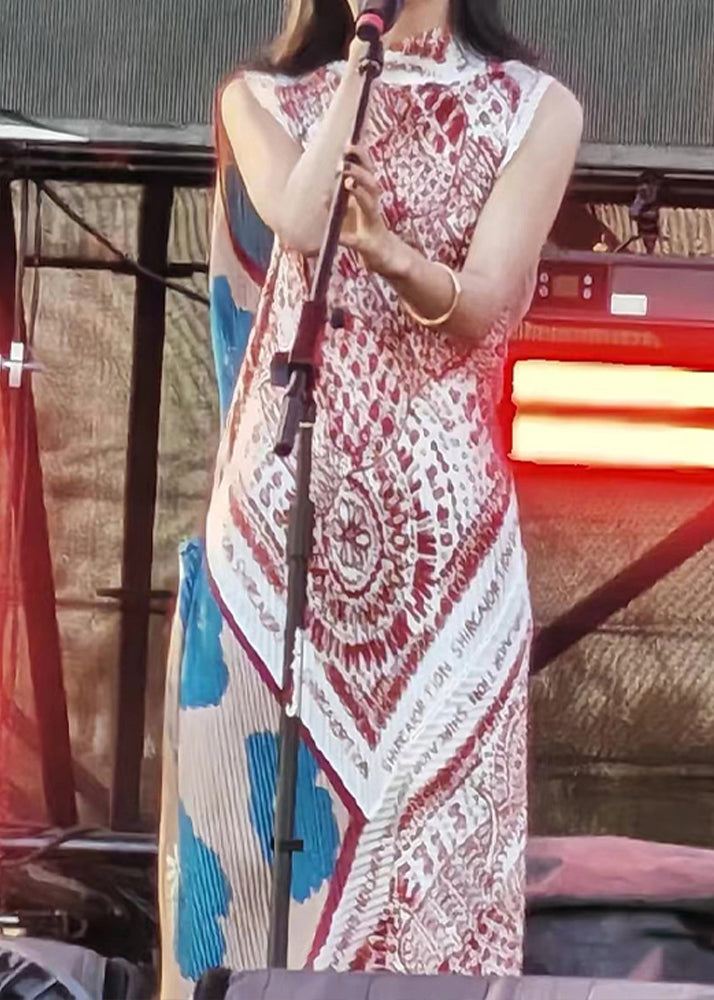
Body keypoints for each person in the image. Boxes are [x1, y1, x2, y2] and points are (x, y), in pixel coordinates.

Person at [159, 0, 582, 994]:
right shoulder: (260, 99)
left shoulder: (536, 108)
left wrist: (391, 250)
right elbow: (301, 220)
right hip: (273, 564)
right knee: (247, 888)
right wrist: (360, 69)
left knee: (432, 896)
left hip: (448, 575)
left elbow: (482, 304)